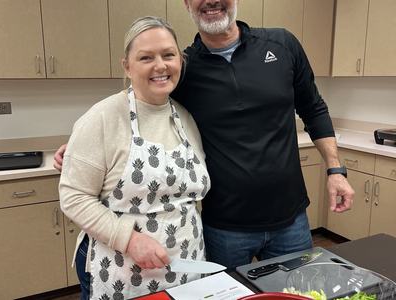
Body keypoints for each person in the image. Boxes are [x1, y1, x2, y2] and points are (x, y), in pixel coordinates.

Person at [56, 0, 354, 271]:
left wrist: (335, 170)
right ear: (187, 3)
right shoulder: (186, 68)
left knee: (297, 292)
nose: (211, 1)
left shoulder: (282, 44)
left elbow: (313, 108)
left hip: (291, 221)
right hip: (223, 229)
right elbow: (145, 97)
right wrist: (86, 144)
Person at [59, 16, 210, 299]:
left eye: (168, 55)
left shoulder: (186, 118)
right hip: (122, 269)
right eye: (146, 57)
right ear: (127, 67)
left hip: (187, 263)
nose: (160, 65)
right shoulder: (102, 118)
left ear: (180, 61)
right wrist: (129, 240)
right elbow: (73, 196)